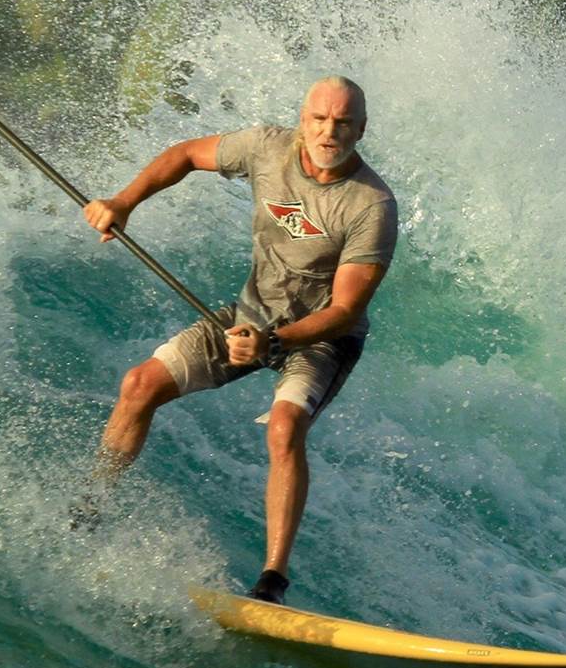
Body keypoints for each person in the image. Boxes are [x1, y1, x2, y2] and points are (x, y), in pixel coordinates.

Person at [82, 77, 397, 604]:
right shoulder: (266, 147)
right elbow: (185, 154)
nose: (329, 131)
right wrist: (124, 201)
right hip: (251, 314)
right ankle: (90, 508)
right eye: (319, 118)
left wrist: (274, 342)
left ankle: (272, 581)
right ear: (303, 120)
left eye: (343, 122)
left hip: (322, 338)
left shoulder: (371, 205)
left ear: (361, 130)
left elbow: (346, 310)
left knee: (284, 427)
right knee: (139, 384)